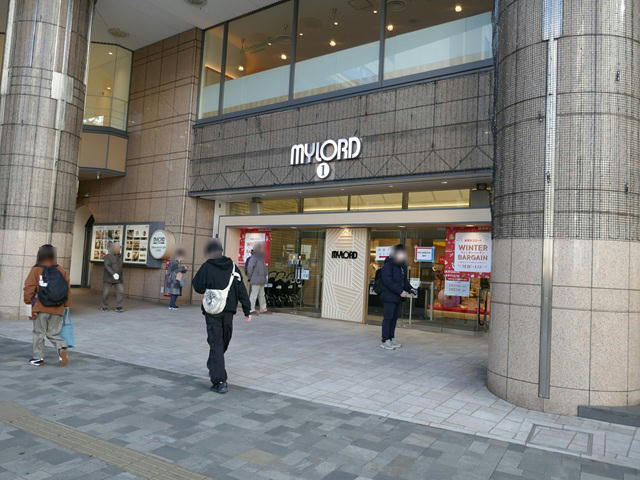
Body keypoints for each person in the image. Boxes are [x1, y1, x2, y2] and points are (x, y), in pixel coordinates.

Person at [192, 239, 251, 394]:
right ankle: (219, 377)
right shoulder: (233, 267)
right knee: (222, 341)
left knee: (217, 343)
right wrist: (247, 310)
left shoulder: (207, 266)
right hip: (228, 311)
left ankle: (217, 374)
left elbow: (198, 287)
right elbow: (241, 289)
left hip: (213, 311)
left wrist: (209, 284)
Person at [23, 244, 71, 366]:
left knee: (39, 333)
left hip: (41, 308)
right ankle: (61, 348)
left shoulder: (36, 269)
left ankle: (38, 358)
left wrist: (28, 303)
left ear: (40, 254)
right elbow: (67, 289)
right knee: (53, 333)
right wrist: (66, 305)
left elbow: (29, 288)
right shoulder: (61, 270)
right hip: (58, 308)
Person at [379, 244, 413, 350]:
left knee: (394, 319)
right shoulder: (388, 265)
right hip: (389, 296)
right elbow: (387, 281)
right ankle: (385, 340)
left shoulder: (402, 266)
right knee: (388, 318)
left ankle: (391, 338)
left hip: (398, 297)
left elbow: (404, 281)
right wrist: (400, 291)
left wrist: (410, 289)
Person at [245, 242, 269, 314]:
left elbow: (264, 269)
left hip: (261, 279)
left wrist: (265, 276)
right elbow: (250, 268)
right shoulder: (254, 258)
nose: (262, 249)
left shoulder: (261, 258)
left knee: (262, 295)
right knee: (254, 294)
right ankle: (250, 309)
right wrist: (249, 277)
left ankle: (263, 309)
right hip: (255, 279)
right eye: (261, 248)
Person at [101, 242, 124, 312]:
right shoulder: (108, 256)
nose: (119, 249)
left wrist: (119, 276)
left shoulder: (120, 256)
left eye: (119, 248)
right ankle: (104, 306)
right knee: (106, 293)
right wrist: (113, 274)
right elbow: (107, 266)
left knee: (121, 291)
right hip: (109, 278)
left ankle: (119, 307)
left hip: (118, 278)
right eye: (118, 248)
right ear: (114, 248)